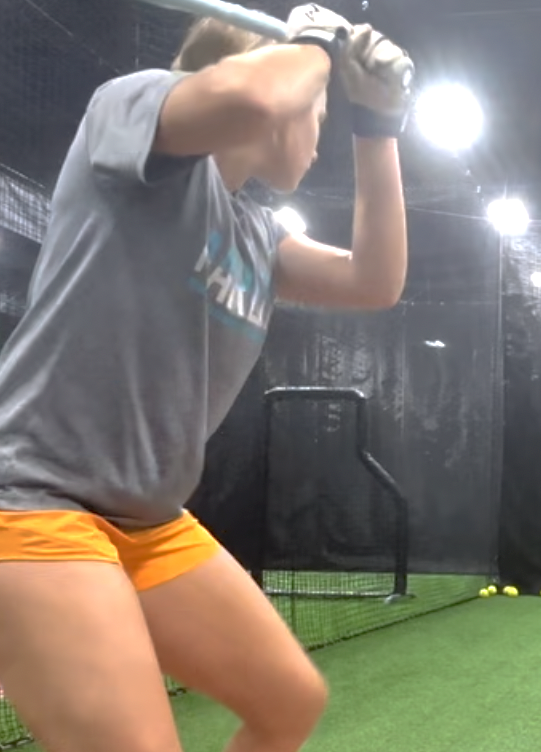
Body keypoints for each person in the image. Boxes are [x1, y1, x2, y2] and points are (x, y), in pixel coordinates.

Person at [0, 5, 413, 751]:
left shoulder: (256, 234)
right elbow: (255, 97)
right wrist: (317, 40)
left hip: (147, 521)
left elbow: (376, 280)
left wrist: (379, 125)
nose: (317, 133)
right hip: (31, 504)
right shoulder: (127, 107)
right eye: (316, 113)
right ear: (266, 76)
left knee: (288, 701)